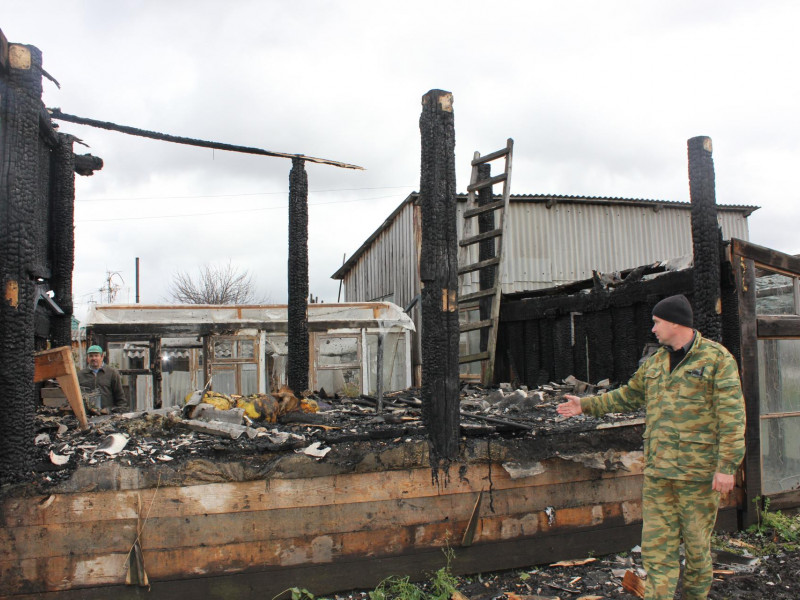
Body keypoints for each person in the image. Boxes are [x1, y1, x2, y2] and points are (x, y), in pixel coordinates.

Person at [557, 294, 745, 600]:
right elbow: (628, 396)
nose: (653, 329)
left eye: (657, 322)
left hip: (697, 476)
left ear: (675, 322)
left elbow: (733, 417)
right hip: (659, 475)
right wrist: (587, 405)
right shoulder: (656, 363)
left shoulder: (716, 360)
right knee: (657, 551)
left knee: (697, 550)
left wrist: (726, 467)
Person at [77, 345, 127, 410]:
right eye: (91, 356)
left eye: (96, 355)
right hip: (87, 415)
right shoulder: (80, 375)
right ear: (87, 358)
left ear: (102, 357)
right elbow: (74, 396)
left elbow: (120, 397)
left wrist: (118, 411)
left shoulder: (112, 373)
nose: (93, 358)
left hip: (107, 416)